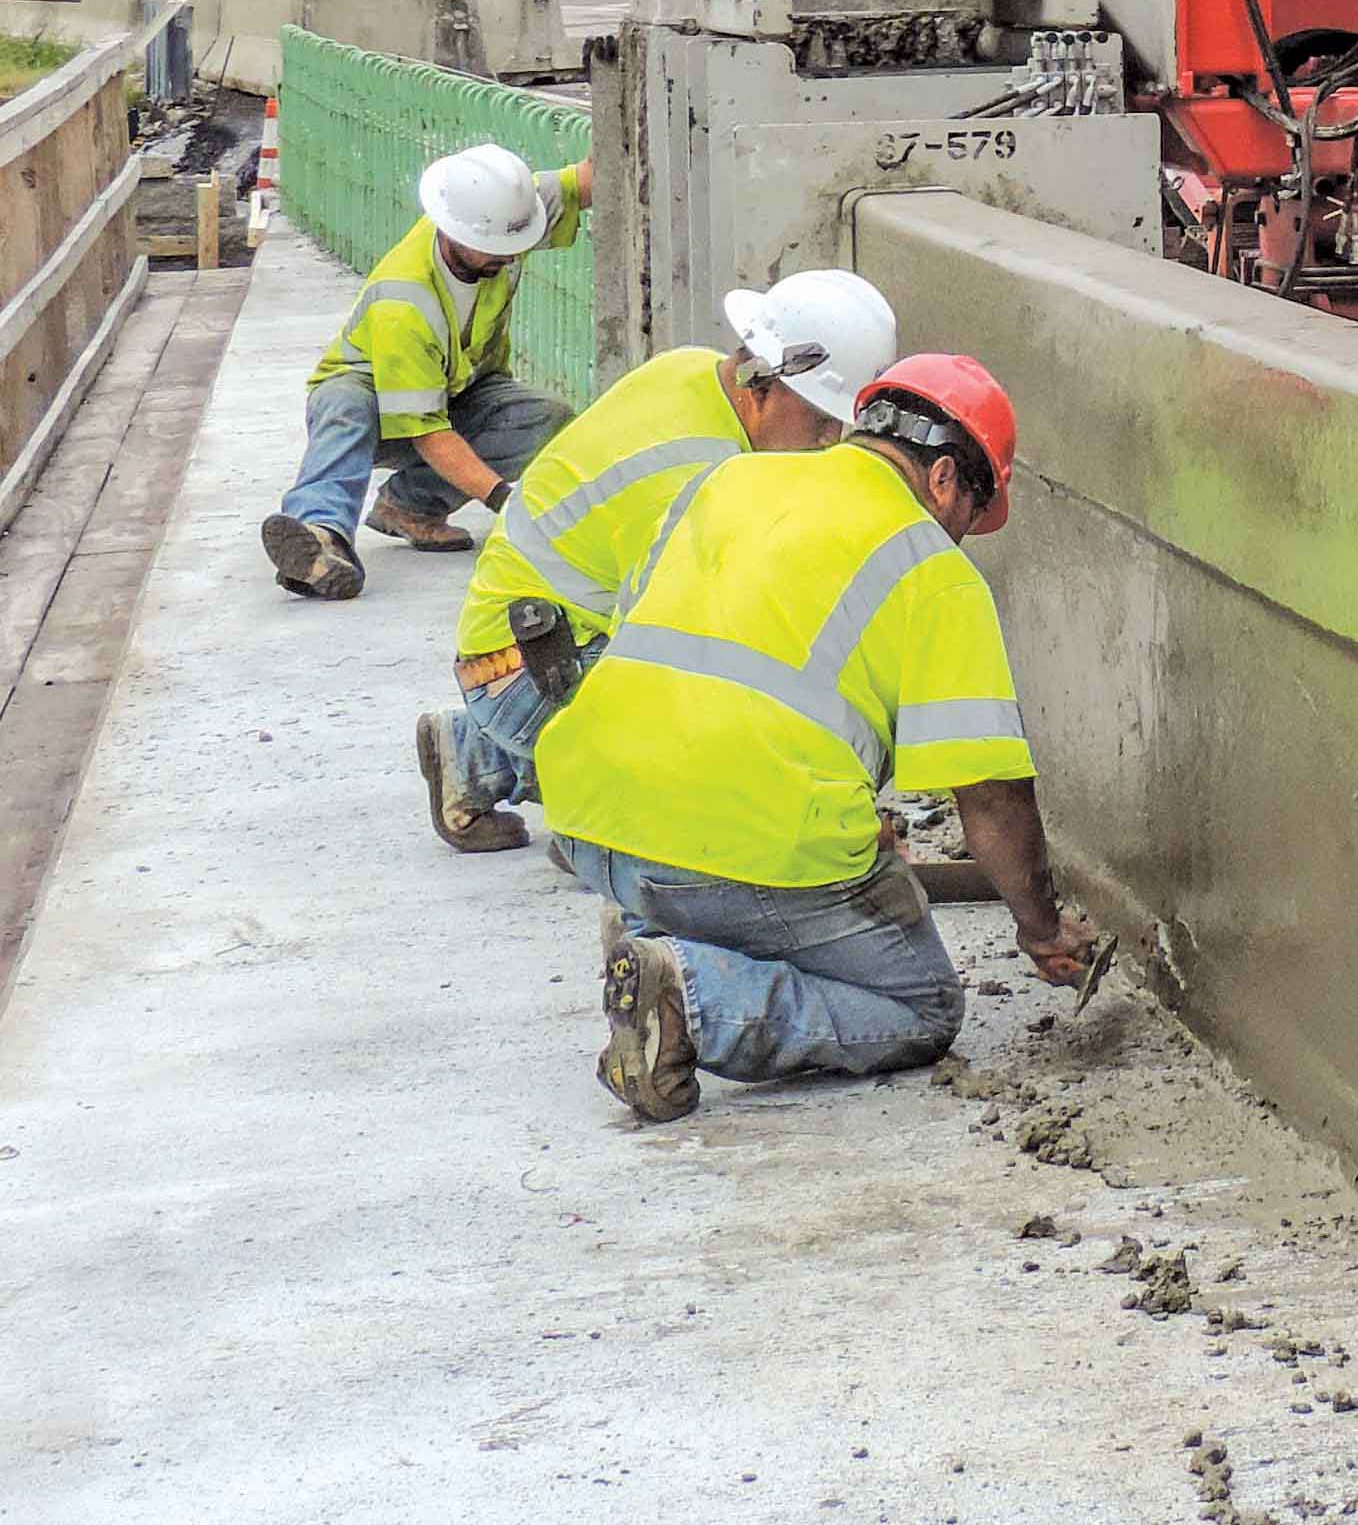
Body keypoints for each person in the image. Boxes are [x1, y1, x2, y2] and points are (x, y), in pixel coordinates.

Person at [533, 354, 1101, 1120]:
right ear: (942, 480)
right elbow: (992, 799)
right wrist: (1039, 928)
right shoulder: (931, 564)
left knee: (773, 872)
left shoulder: (724, 479)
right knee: (922, 1003)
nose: (964, 535)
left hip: (594, 825)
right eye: (972, 511)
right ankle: (691, 997)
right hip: (732, 849)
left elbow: (679, 656)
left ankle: (655, 929)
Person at [412, 269, 902, 856]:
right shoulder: (695, 477)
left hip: (514, 645)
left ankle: (472, 755)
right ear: (760, 381)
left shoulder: (694, 369)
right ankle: (594, 829)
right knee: (709, 778)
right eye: (821, 418)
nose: (830, 438)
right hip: (526, 670)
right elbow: (672, 663)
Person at [261, 142, 595, 600]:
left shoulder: (502, 209)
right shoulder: (404, 300)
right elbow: (428, 433)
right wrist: (505, 501)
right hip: (376, 399)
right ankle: (321, 536)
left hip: (462, 385)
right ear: (457, 234)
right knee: (346, 411)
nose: (513, 256)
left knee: (543, 416)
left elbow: (591, 177)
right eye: (499, 249)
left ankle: (408, 506)